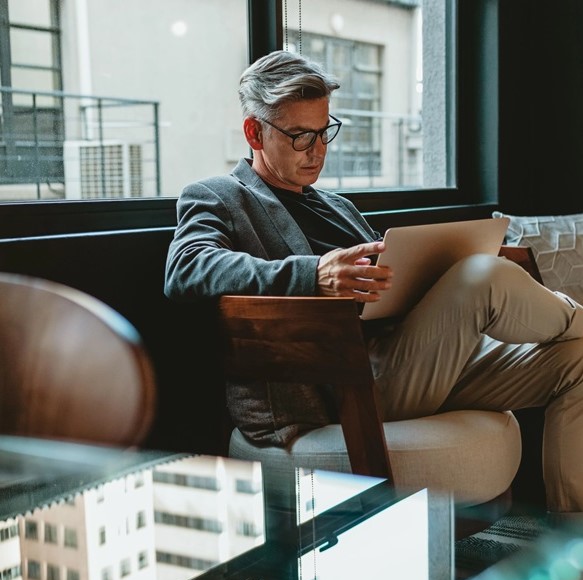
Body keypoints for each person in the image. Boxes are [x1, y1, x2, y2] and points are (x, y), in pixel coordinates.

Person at [165, 49, 583, 517]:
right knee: (481, 275)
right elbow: (187, 268)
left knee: (577, 358)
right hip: (348, 382)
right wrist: (313, 274)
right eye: (301, 136)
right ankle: (575, 315)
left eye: (325, 132)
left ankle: (573, 536)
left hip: (415, 357)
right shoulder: (220, 196)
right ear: (254, 132)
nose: (318, 151)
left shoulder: (337, 206)